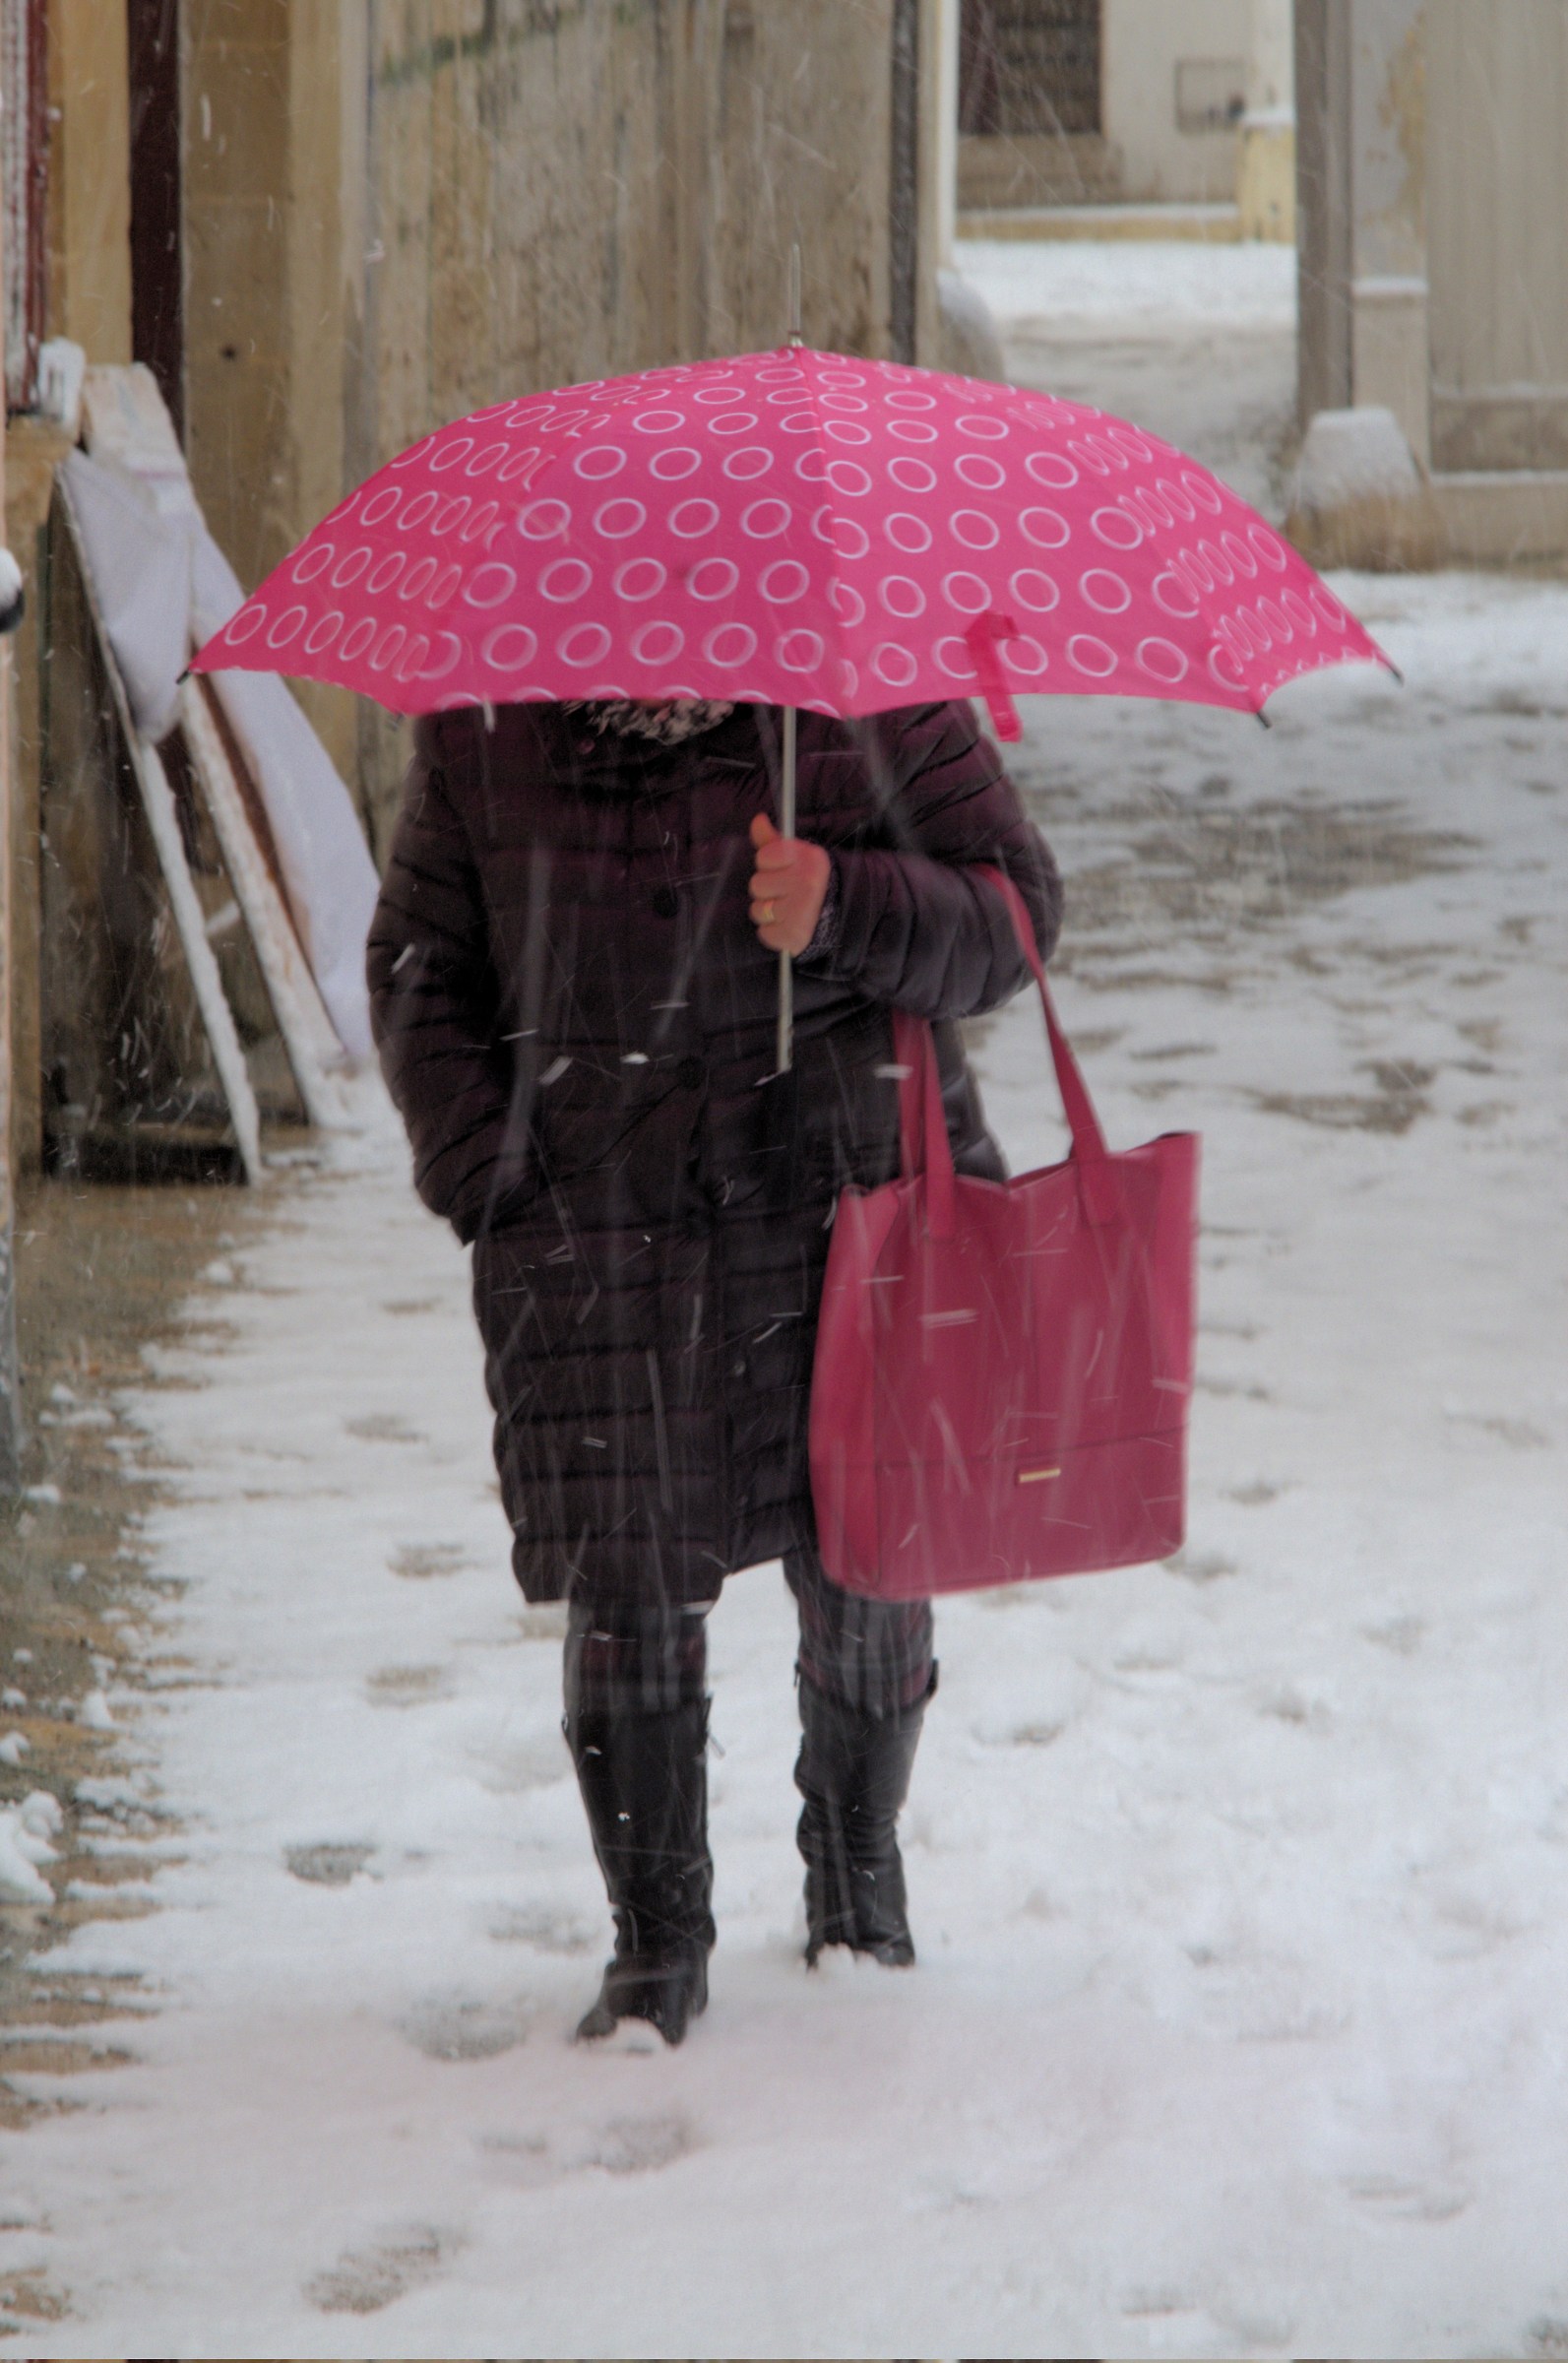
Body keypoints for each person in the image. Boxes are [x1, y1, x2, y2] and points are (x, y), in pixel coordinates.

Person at [367, 694, 1062, 2045]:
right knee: (627, 1574)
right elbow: (416, 969)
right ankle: (654, 1944)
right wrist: (495, 1179)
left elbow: (1015, 918)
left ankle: (857, 1879)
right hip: (601, 1233)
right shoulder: (488, 732)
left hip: (848, 1208)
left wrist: (847, 903)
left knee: (865, 1557)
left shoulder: (866, 701)